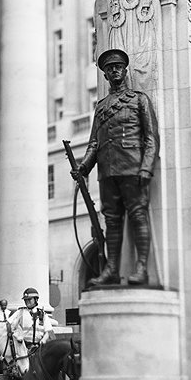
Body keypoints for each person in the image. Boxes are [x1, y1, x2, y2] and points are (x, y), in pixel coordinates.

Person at [71, 48, 159, 287]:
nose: (114, 70)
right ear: (106, 75)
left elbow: (151, 137)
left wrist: (146, 168)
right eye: (109, 69)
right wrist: (84, 168)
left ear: (125, 69)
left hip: (133, 168)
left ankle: (141, 268)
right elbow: (94, 142)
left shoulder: (139, 99)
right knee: (112, 221)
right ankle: (111, 269)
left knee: (138, 215)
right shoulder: (101, 106)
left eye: (117, 66)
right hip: (108, 171)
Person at [6, 288, 54, 380]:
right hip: (24, 347)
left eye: (29, 299)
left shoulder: (43, 314)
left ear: (36, 299)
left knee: (54, 365)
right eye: (25, 299)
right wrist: (17, 334)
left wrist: (43, 340)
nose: (27, 301)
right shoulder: (20, 312)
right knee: (16, 370)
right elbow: (9, 324)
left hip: (39, 346)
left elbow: (48, 331)